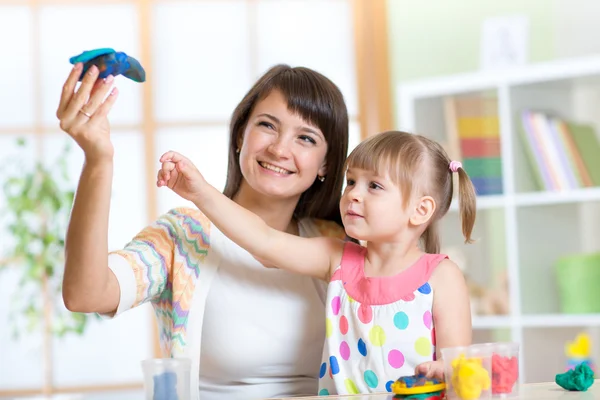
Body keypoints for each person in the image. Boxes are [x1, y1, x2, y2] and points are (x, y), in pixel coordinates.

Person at [57, 62, 351, 400]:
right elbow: (85, 295)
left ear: (326, 164)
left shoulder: (335, 244)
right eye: (268, 125)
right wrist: (98, 159)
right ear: (241, 135)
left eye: (306, 138)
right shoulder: (184, 235)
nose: (280, 149)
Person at [156, 130, 477, 395]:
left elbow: (457, 365)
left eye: (374, 186)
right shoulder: (337, 259)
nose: (353, 194)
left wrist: (444, 368)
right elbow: (265, 241)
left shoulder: (441, 277)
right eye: (351, 182)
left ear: (420, 210)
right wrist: (200, 192)